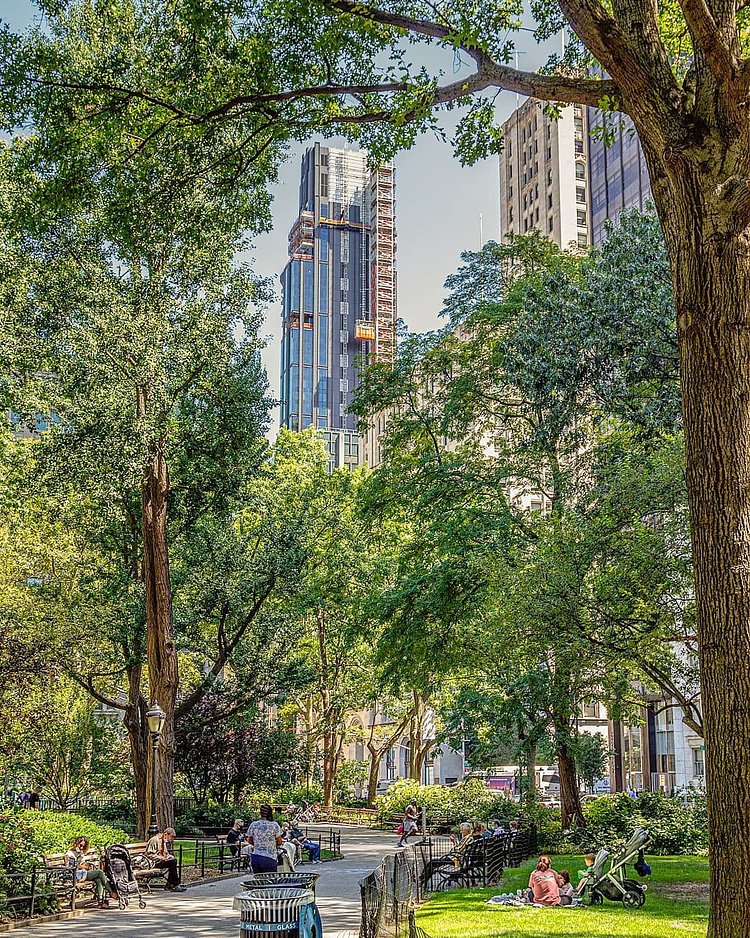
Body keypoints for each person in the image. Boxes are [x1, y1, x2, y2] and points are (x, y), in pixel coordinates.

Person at [65, 836, 113, 908]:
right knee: (99, 872)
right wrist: (82, 867)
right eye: (80, 845)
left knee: (98, 880)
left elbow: (82, 864)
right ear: (75, 843)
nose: (81, 848)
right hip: (75, 874)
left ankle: (101, 902)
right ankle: (111, 892)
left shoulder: (80, 853)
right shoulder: (69, 853)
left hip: (83, 873)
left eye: (83, 846)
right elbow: (70, 867)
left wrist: (86, 866)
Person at [246, 804, 284, 874]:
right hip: (269, 857)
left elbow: (249, 840)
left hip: (256, 856)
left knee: (258, 881)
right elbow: (279, 842)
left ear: (260, 813)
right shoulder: (274, 825)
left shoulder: (253, 824)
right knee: (269, 881)